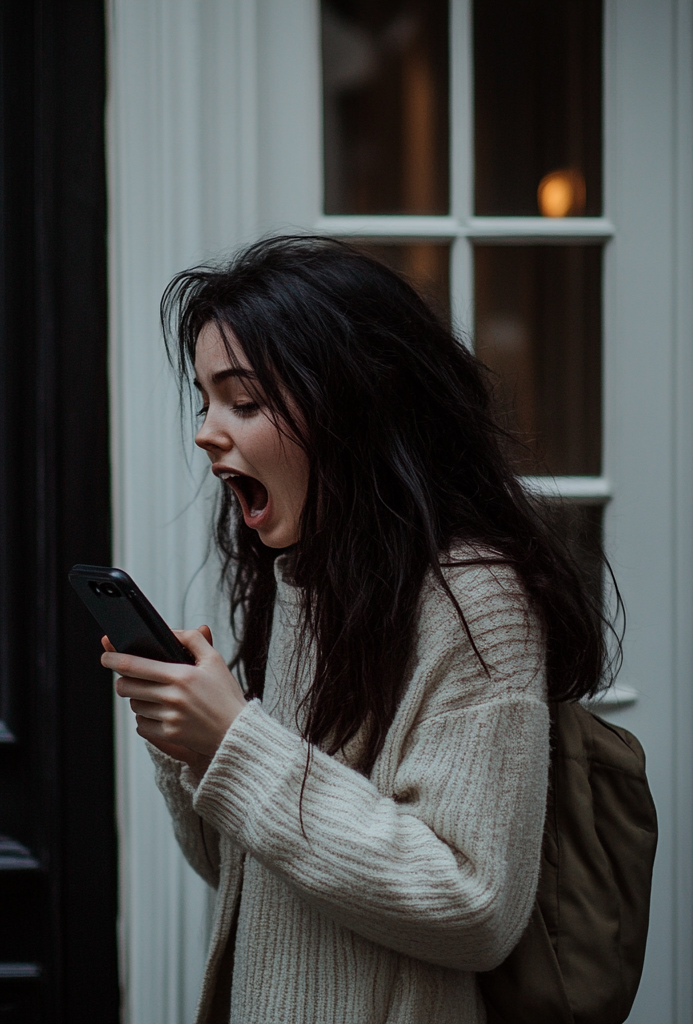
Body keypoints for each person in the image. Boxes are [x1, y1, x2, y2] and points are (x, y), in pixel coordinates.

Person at [99, 236, 616, 1024]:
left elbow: (475, 906)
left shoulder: (475, 600)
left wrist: (235, 739)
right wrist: (190, 747)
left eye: (242, 401)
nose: (207, 430)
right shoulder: (308, 583)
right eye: (204, 400)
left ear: (352, 406)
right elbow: (243, 875)